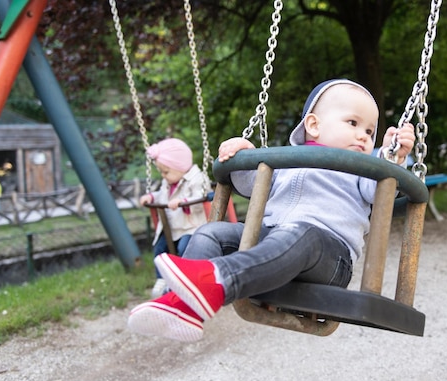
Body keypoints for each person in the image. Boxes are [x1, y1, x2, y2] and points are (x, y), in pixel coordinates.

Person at [127, 79, 415, 343]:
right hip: (272, 243)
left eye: (369, 131)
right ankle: (181, 307)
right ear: (313, 125)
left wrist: (393, 158)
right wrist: (240, 153)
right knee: (211, 233)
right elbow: (251, 184)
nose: (363, 136)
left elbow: (380, 194)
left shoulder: (361, 170)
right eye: (353, 123)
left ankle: (216, 281)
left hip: (328, 257)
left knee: (302, 235)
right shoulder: (285, 162)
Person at [138, 138, 212, 297]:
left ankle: (187, 280)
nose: (163, 176)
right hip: (172, 226)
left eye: (166, 172)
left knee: (184, 249)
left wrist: (183, 202)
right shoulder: (168, 182)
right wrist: (151, 197)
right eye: (161, 172)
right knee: (159, 248)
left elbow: (201, 198)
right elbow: (162, 196)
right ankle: (162, 279)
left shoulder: (197, 179)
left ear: (180, 167)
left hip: (191, 227)